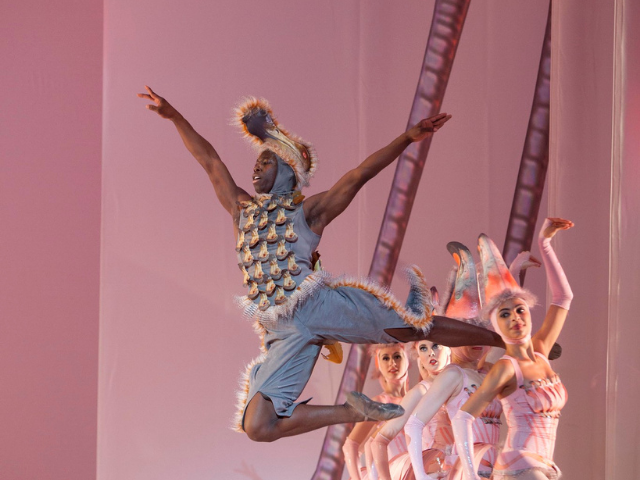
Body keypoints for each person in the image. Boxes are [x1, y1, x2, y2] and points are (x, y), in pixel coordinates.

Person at [138, 87, 505, 442]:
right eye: (256, 162)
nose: (256, 169)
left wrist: (407, 139)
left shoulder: (307, 212)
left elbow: (358, 175)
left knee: (413, 331)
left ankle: (501, 338)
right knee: (259, 427)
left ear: (288, 171)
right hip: (282, 327)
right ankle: (354, 411)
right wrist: (173, 116)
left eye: (266, 162)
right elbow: (209, 160)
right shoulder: (242, 210)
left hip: (318, 305)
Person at [451, 218, 573, 480]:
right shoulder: (506, 368)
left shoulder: (541, 350)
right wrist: (471, 475)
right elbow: (462, 417)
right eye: (504, 315)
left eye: (520, 309)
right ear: (496, 325)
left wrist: (545, 243)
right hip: (519, 464)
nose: (515, 317)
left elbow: (563, 297)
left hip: (544, 463)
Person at [403, 243, 503, 480]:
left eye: (482, 332)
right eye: (469, 333)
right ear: (454, 337)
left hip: (493, 467)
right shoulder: (453, 375)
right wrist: (421, 475)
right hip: (462, 471)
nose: (477, 340)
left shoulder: (491, 372)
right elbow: (413, 425)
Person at [369, 338, 453, 480]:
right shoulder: (419, 392)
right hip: (437, 468)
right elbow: (376, 442)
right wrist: (420, 475)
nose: (431, 353)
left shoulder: (465, 380)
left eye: (436, 345)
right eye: (423, 348)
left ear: (449, 348)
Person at [343, 344, 411, 480]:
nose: (392, 363)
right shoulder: (379, 403)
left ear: (406, 359)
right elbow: (351, 445)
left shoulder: (419, 398)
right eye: (385, 358)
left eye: (397, 356)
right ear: (378, 363)